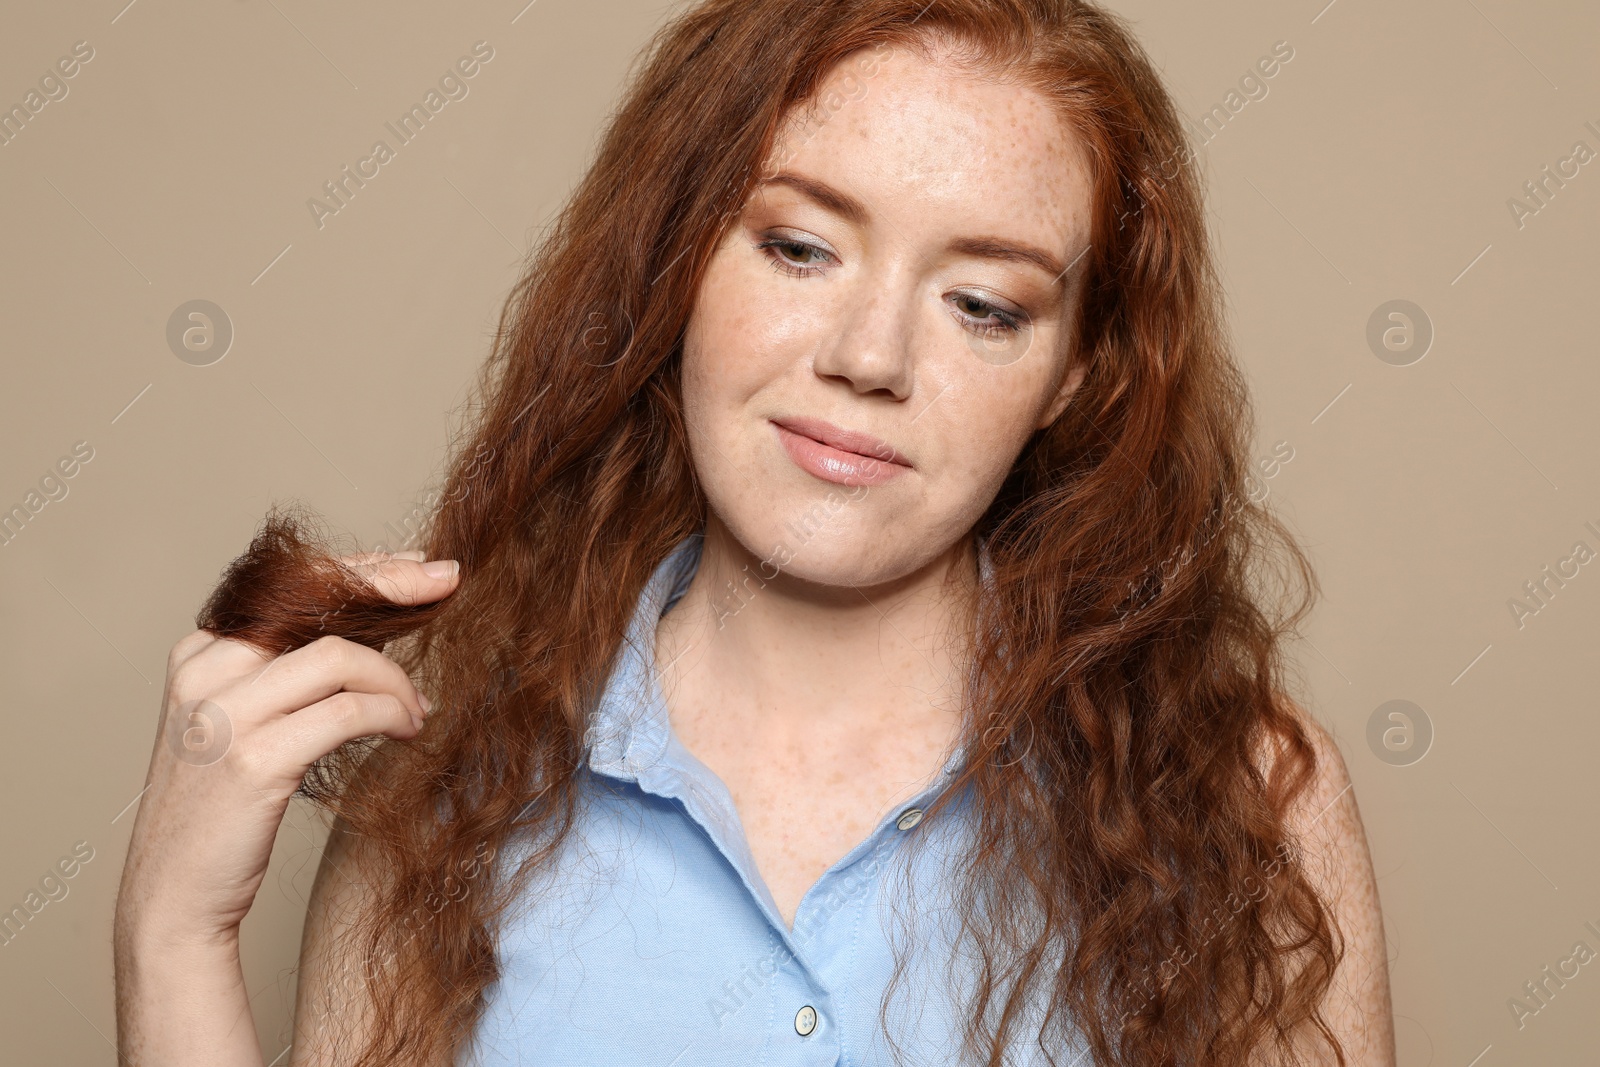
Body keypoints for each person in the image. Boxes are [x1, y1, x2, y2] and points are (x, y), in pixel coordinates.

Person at [113, 1, 1396, 1064]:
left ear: (1074, 372)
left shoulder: (1249, 801)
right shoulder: (442, 788)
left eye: (985, 305)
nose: (870, 355)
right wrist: (172, 934)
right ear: (679, 262)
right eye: (796, 245)